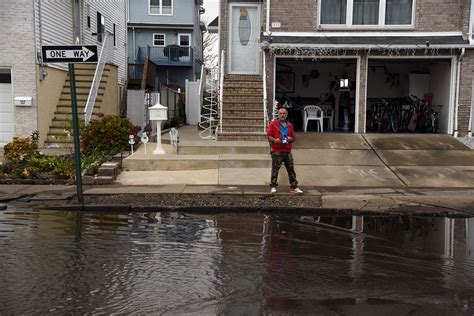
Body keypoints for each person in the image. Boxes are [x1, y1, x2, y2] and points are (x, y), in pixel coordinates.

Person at [267, 107, 303, 194]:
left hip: (287, 150)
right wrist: (274, 140)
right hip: (277, 150)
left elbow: (293, 138)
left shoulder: (290, 125)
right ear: (278, 115)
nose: (282, 115)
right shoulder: (273, 124)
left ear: (286, 115)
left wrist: (291, 139)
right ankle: (273, 186)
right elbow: (269, 135)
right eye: (280, 113)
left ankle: (294, 187)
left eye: (284, 113)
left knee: (291, 169)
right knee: (275, 169)